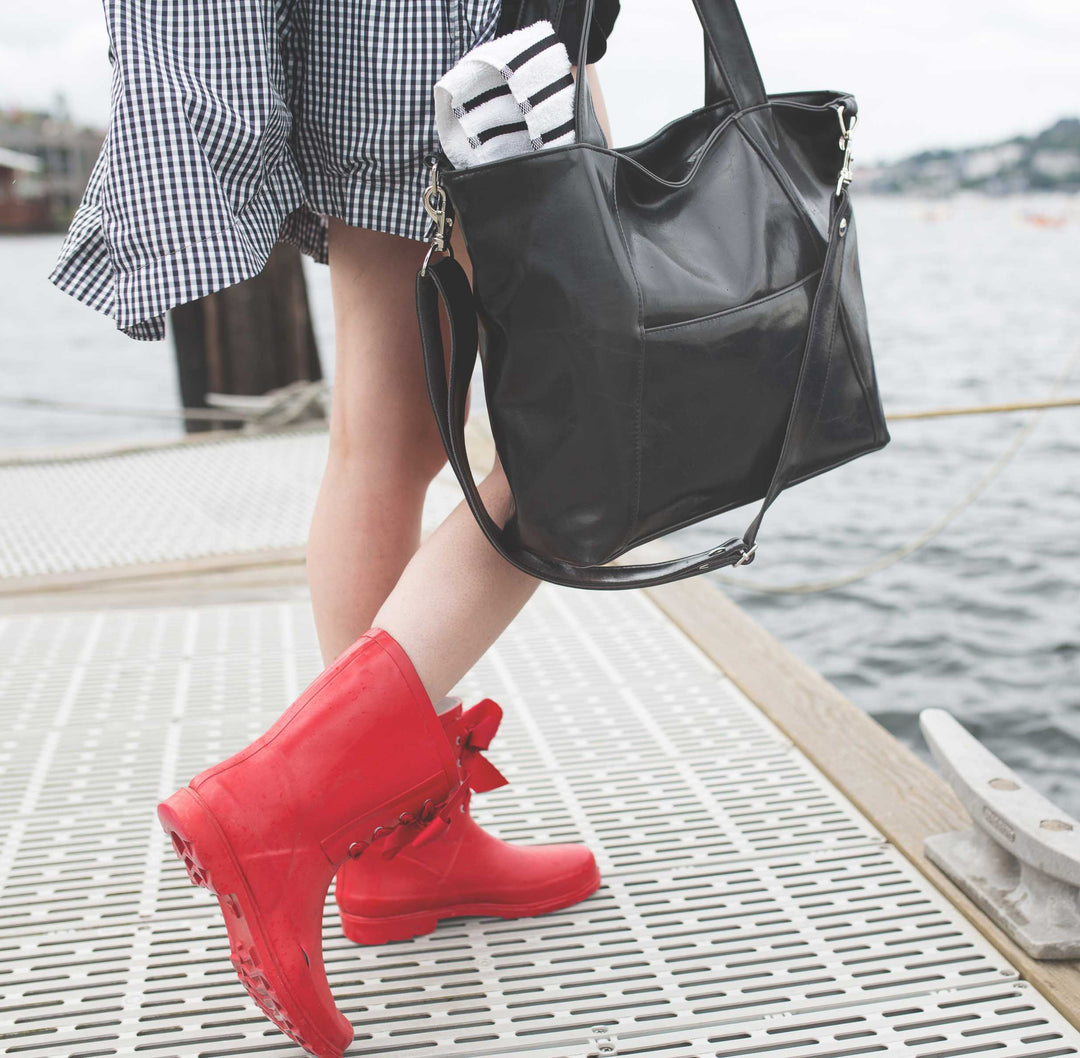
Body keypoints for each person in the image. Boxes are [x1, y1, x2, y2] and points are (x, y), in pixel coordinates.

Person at [51, 2, 619, 1056]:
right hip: (484, 45)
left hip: (366, 59)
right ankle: (277, 804)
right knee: (598, 447)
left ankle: (399, 842)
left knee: (382, 442)